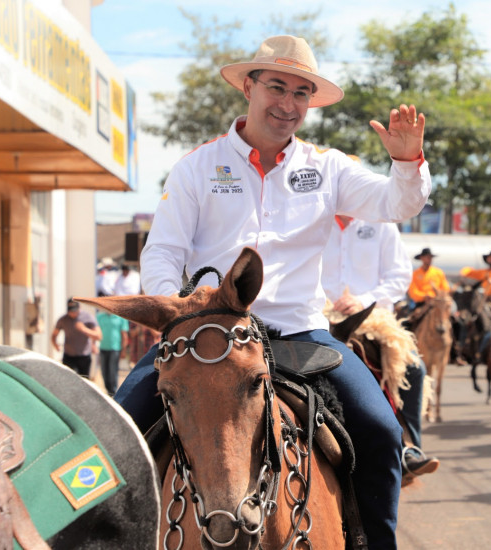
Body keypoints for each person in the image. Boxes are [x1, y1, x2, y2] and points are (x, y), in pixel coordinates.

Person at [114, 35, 432, 549]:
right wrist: (179, 312)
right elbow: (163, 252)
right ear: (249, 85)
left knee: (381, 432)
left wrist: (407, 161)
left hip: (301, 334)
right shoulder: (197, 166)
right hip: (209, 333)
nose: (288, 104)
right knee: (114, 434)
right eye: (277, 87)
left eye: (301, 93)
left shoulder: (327, 167)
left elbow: (397, 203)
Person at [322, 215, 439, 479]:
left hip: (371, 316)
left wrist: (362, 300)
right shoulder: (310, 215)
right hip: (317, 313)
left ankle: (409, 448)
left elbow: (399, 275)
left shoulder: (380, 223)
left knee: (413, 368)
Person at [52, 298, 102, 378]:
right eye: (70, 310)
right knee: (69, 380)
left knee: (84, 381)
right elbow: (54, 334)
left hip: (84, 356)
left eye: (74, 310)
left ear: (79, 308)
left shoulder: (88, 317)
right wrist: (55, 344)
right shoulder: (63, 319)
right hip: (69, 356)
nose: (72, 313)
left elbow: (98, 335)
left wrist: (84, 329)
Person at [96, 307, 129, 396]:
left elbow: (124, 335)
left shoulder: (120, 318)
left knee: (112, 371)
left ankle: (113, 392)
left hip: (115, 348)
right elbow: (96, 331)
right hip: (103, 347)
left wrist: (123, 350)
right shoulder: (99, 317)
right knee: (104, 371)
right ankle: (108, 390)